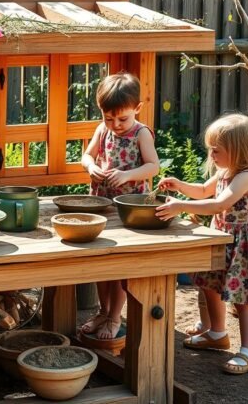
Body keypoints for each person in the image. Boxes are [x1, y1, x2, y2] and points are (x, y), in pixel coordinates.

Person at [155, 113, 248, 375]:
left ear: (238, 151)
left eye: (216, 150)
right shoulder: (225, 171)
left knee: (243, 300)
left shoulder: (247, 177)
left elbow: (219, 204)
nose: (211, 154)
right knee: (210, 287)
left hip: (245, 244)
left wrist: (180, 206)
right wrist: (179, 186)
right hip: (224, 239)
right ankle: (217, 333)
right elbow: (203, 191)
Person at [79, 72, 159, 340]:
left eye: (122, 118)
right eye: (108, 118)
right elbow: (87, 155)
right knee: (102, 266)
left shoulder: (141, 133)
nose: (115, 125)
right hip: (102, 206)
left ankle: (115, 316)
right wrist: (91, 166)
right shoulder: (103, 130)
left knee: (120, 267)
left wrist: (127, 174)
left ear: (137, 108)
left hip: (130, 211)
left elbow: (153, 167)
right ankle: (103, 310)